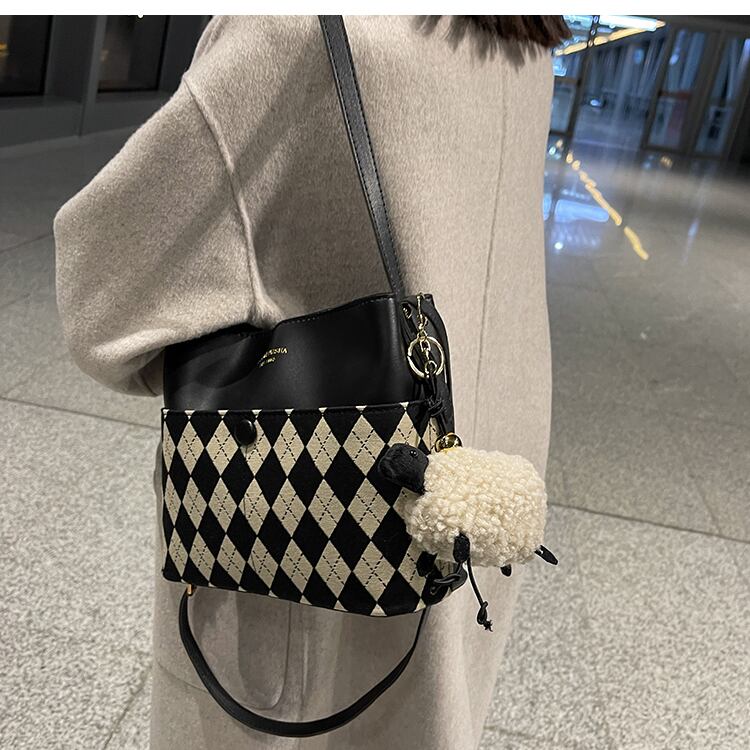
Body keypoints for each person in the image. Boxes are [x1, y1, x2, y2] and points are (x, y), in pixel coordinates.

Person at [54, 15, 567, 750]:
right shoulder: (525, 46)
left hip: (307, 542)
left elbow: (101, 301)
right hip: (473, 472)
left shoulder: (292, 33)